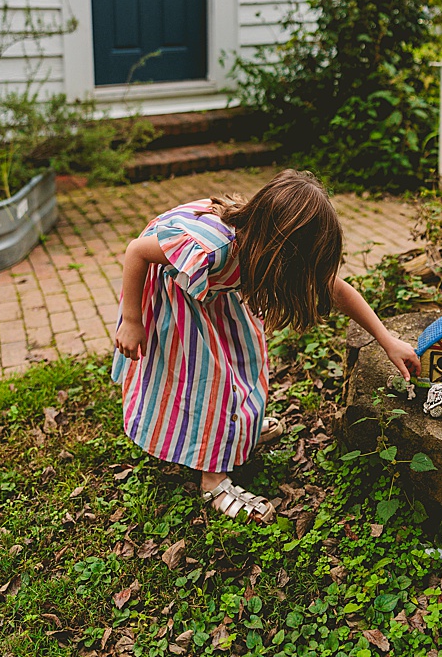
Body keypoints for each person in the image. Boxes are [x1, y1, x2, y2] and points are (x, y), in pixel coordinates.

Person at [111, 169, 419, 523]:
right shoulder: (216, 250)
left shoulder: (259, 249)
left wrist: (387, 339)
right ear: (279, 251)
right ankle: (212, 479)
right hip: (177, 297)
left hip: (215, 293)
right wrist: (133, 320)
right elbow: (137, 251)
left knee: (245, 359)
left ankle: (235, 432)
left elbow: (335, 288)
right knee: (209, 380)